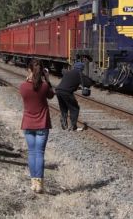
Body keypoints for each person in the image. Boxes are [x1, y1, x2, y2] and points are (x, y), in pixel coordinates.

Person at [20, 60, 55, 193]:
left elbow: (26, 92)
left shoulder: (23, 86)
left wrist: (28, 79)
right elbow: (51, 95)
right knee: (39, 153)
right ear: (41, 72)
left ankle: (33, 183)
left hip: (28, 124)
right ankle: (39, 183)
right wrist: (47, 79)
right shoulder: (45, 86)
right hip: (42, 124)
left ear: (29, 70)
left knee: (32, 153)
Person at [55, 62, 94, 131]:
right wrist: (89, 79)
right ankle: (73, 126)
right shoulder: (79, 74)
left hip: (58, 91)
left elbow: (69, 83)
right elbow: (88, 83)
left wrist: (77, 87)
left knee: (64, 107)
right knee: (75, 108)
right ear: (82, 68)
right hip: (66, 92)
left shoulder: (69, 72)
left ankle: (63, 118)